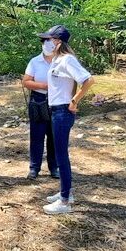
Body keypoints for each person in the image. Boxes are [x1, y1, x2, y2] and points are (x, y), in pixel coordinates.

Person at [38, 25, 95, 215]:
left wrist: (74, 101)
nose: (45, 43)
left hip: (63, 111)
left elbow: (88, 80)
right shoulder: (57, 60)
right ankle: (66, 192)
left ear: (58, 41)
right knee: (59, 154)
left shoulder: (67, 59)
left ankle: (64, 202)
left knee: (61, 155)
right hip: (56, 110)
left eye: (48, 39)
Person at [22, 36, 59, 180]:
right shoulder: (35, 62)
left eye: (51, 43)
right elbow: (26, 82)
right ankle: (34, 168)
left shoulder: (61, 61)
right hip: (38, 101)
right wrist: (44, 86)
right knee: (37, 136)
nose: (48, 46)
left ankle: (54, 168)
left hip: (56, 101)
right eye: (45, 43)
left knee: (54, 136)